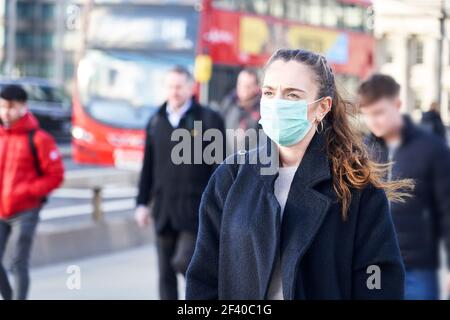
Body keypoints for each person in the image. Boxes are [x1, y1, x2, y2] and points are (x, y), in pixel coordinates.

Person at [185, 49, 411, 300]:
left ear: (322, 107)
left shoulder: (356, 187)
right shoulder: (230, 178)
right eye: (270, 92)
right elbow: (203, 276)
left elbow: (378, 276)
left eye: (292, 95)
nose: (277, 103)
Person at [135, 66, 225, 300]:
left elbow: (220, 166)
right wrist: (142, 203)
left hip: (196, 211)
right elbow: (148, 166)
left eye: (178, 86)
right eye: (170, 87)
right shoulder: (156, 120)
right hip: (163, 210)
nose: (174, 92)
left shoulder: (208, 119)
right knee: (165, 274)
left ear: (189, 88)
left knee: (185, 262)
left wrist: (220, 204)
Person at [358, 74, 450, 300]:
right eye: (367, 114)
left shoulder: (431, 149)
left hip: (417, 266)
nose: (373, 121)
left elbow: (447, 210)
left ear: (397, 105)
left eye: (379, 112)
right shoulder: (361, 152)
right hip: (374, 264)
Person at [0, 84, 64, 300]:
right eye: (2, 107)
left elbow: (55, 175)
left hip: (26, 210)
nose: (6, 112)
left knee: (18, 262)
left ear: (23, 107)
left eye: (10, 107)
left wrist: (28, 191)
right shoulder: (1, 135)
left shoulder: (39, 138)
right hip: (1, 208)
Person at [220, 68, 261, 154]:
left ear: (256, 87)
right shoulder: (229, 103)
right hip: (228, 158)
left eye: (248, 86)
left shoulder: (262, 109)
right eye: (240, 84)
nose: (242, 89)